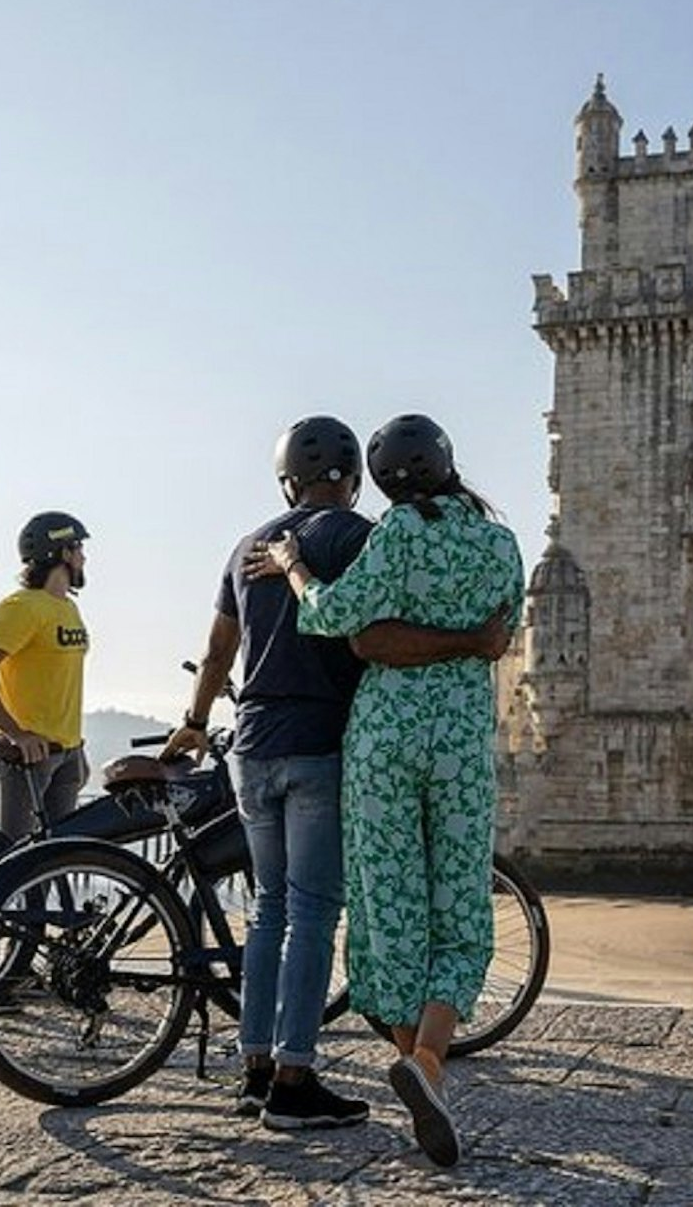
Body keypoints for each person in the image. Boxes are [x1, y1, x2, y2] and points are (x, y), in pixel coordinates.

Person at [164, 415, 509, 1134]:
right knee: (319, 913)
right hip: (332, 745)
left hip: (254, 744)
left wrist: (196, 722)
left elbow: (219, 647)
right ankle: (298, 1079)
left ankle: (255, 1068)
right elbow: (368, 631)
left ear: (287, 479)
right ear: (352, 482)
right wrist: (472, 642)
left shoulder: (245, 546)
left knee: (272, 911)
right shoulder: (366, 535)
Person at [264, 414, 523, 1167]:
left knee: (388, 904)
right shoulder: (500, 544)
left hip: (384, 739)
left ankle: (420, 1065)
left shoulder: (397, 534)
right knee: (461, 905)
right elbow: (503, 634)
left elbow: (335, 620)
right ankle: (429, 1065)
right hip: (462, 745)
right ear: (449, 461)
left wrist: (293, 566)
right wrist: (464, 640)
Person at [0, 512, 90, 840]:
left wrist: (76, 747)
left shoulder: (68, 608)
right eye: (79, 547)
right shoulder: (23, 607)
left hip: (67, 754)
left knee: (56, 863)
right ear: (63, 553)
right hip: (29, 757)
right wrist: (16, 734)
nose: (84, 556)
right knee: (14, 863)